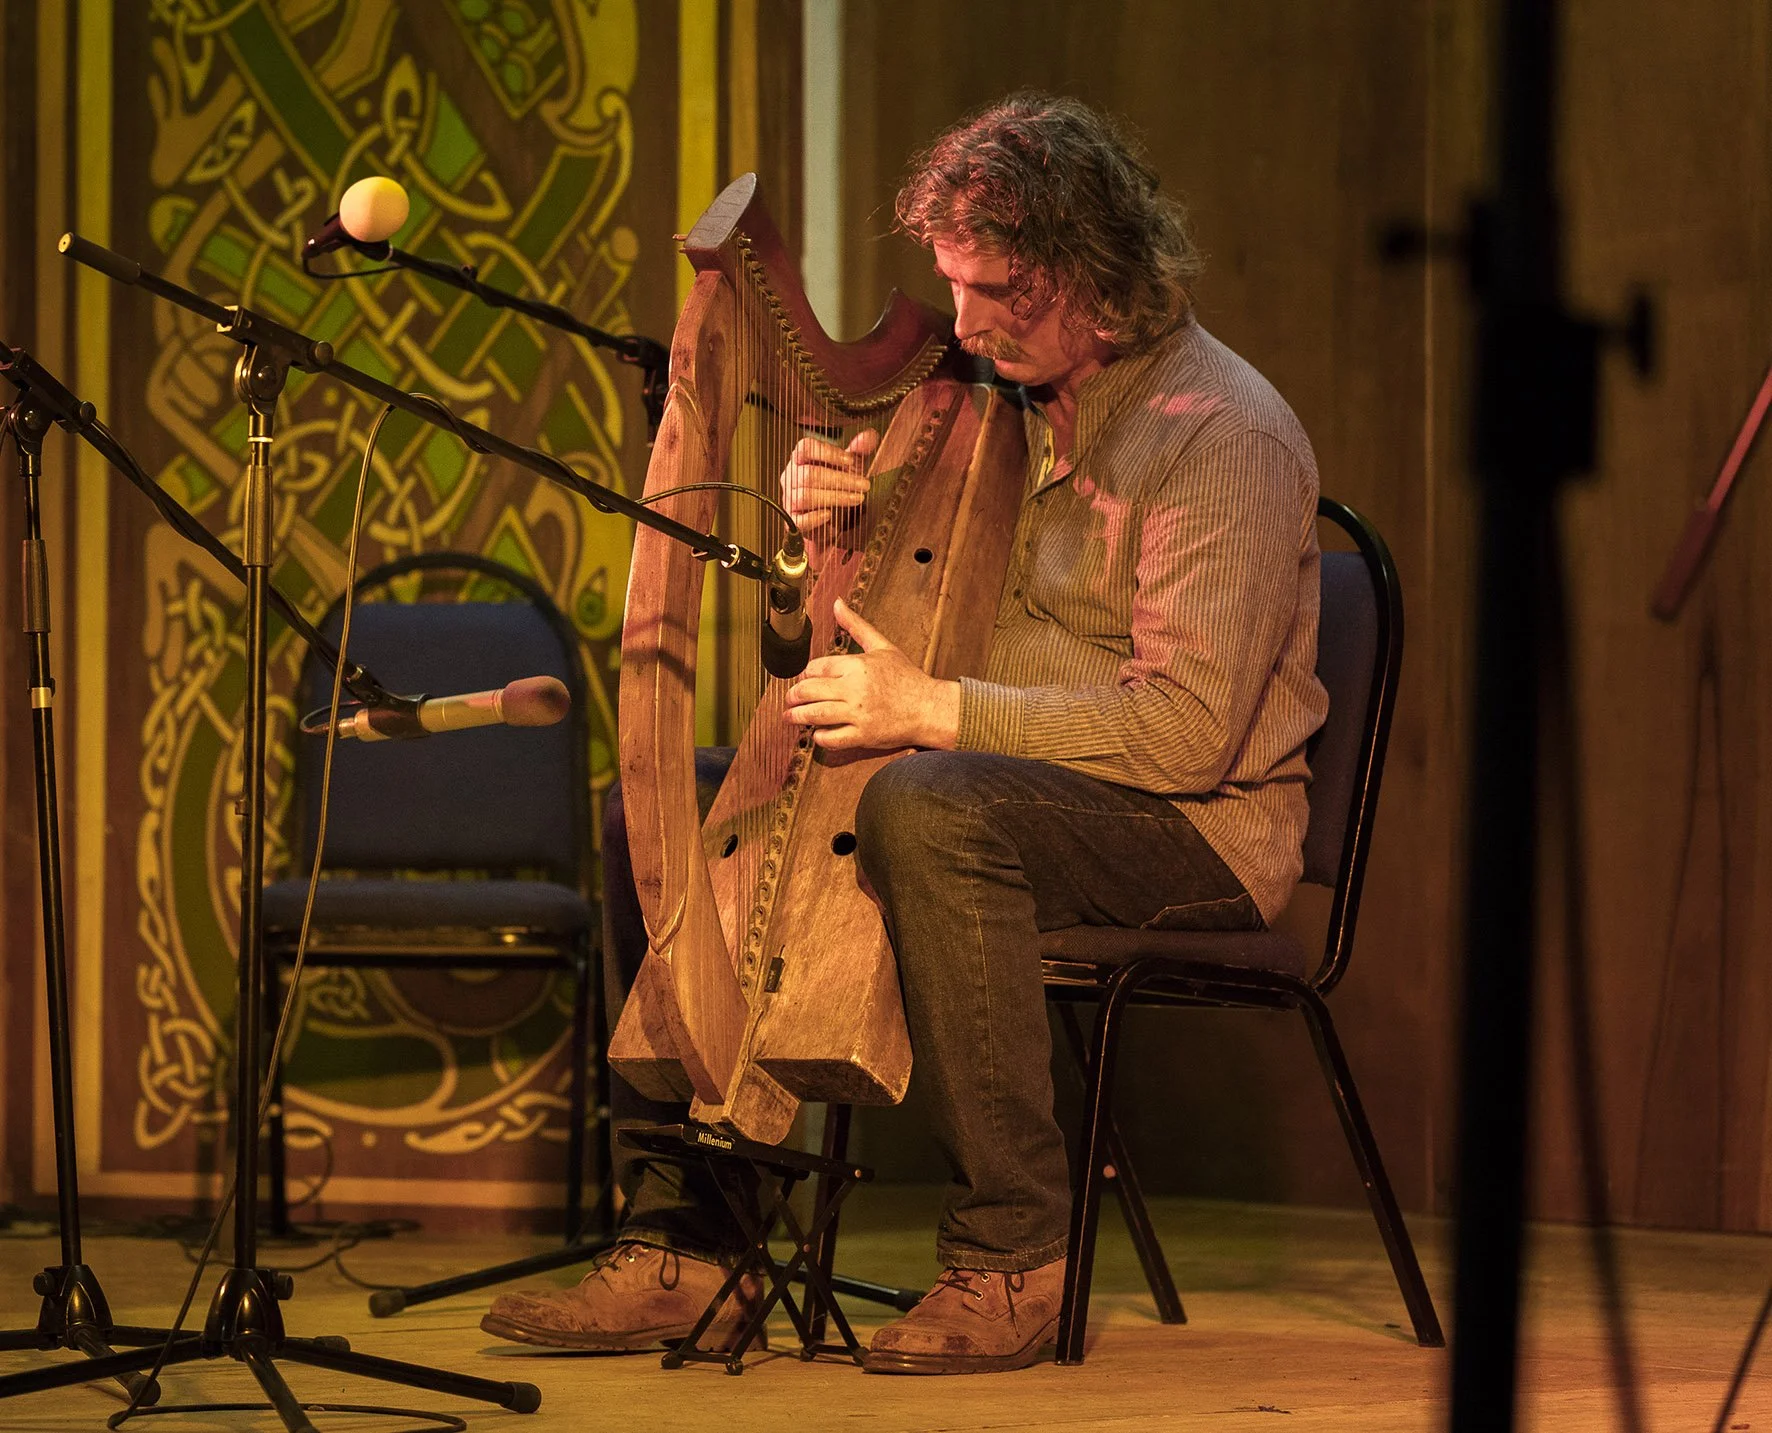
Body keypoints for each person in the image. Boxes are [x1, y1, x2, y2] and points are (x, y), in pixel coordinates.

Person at [482, 91, 1328, 1376]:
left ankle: (1012, 1252)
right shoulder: (972, 410)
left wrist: (927, 708)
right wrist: (808, 552)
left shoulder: (1223, 437)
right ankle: (690, 1241)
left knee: (923, 805)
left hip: (1191, 826)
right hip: (981, 776)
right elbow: (821, 656)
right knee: (656, 810)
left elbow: (1184, 737)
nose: (967, 322)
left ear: (1098, 275)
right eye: (954, 286)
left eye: (1000, 294)